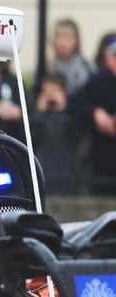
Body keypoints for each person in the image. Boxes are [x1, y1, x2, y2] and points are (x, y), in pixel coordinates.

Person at [68, 35, 116, 195]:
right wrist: (95, 111)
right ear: (107, 58)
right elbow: (74, 102)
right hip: (103, 154)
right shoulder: (98, 81)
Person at [49, 19, 93, 97]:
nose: (62, 42)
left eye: (67, 37)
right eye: (58, 37)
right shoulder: (48, 65)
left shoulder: (85, 66)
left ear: (76, 40)